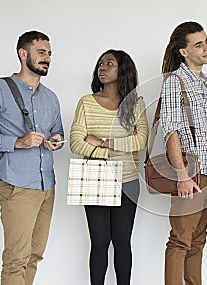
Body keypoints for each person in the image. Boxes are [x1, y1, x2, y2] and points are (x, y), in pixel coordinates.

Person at [0, 31, 64, 285]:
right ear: (23, 54)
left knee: (34, 256)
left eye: (49, 54)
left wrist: (56, 141)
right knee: (15, 260)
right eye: (41, 52)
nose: (47, 58)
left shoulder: (51, 97)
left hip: (47, 186)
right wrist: (17, 142)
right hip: (17, 185)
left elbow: (58, 132)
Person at [70, 49, 148, 285]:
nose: (102, 68)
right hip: (95, 179)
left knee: (122, 241)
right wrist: (111, 152)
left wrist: (101, 142)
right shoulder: (86, 102)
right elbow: (76, 142)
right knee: (100, 242)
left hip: (128, 181)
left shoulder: (136, 103)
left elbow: (140, 140)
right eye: (100, 64)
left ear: (122, 69)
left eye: (109, 64)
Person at [159, 21, 207, 285]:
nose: (206, 48)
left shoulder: (201, 83)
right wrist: (182, 175)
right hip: (192, 175)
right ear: (183, 52)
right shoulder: (176, 81)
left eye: (206, 41)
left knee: (198, 241)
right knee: (180, 241)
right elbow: (171, 130)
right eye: (199, 44)